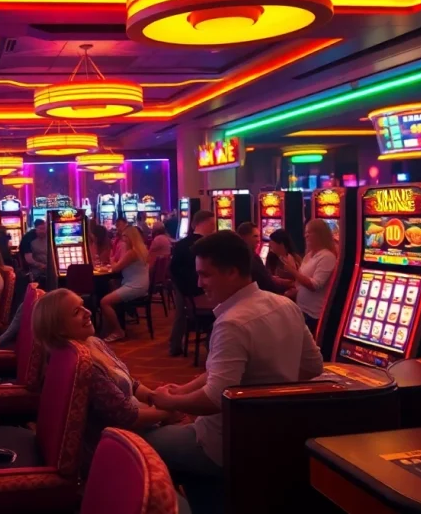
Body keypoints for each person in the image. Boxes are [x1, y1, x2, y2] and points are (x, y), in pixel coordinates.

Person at [145, 231, 324, 514]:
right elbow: (313, 366)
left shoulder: (232, 323)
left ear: (232, 272)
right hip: (273, 434)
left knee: (142, 444)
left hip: (223, 443)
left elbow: (215, 399)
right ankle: (212, 495)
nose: (199, 283)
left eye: (206, 275)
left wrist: (171, 402)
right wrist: (187, 388)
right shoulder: (284, 304)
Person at [32, 289, 179, 470]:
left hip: (134, 423)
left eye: (82, 306)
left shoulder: (93, 342)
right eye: (76, 312)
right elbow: (128, 418)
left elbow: (130, 383)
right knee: (199, 445)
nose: (88, 312)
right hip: (117, 442)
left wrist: (155, 397)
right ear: (59, 328)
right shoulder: (84, 365)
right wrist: (170, 409)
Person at [168, 210, 215, 356]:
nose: (214, 227)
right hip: (200, 295)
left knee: (180, 314)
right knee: (227, 306)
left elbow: (172, 268)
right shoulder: (207, 245)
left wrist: (182, 288)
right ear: (205, 223)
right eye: (212, 224)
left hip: (185, 291)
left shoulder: (181, 243)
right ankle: (215, 346)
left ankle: (175, 346)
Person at [279, 219, 337, 329]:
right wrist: (295, 290)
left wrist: (292, 271)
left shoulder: (327, 256)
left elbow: (314, 285)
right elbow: (302, 279)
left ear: (320, 234)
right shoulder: (310, 254)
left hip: (314, 314)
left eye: (309, 233)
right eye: (305, 232)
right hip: (302, 308)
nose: (306, 236)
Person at [101, 226, 150, 343]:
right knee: (112, 286)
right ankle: (113, 325)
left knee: (104, 302)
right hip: (141, 285)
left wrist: (111, 258)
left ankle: (118, 331)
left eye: (125, 237)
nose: (123, 240)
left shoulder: (133, 253)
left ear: (130, 238)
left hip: (135, 286)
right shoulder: (142, 249)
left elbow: (115, 269)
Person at [235, 222, 284, 295]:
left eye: (259, 236)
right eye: (255, 236)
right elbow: (264, 283)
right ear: (244, 237)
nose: (258, 239)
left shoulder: (253, 255)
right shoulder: (245, 259)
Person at [265, 228, 301, 293]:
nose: (270, 245)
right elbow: (268, 277)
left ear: (281, 244)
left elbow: (299, 280)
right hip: (276, 293)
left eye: (272, 242)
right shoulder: (271, 257)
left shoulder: (295, 258)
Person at [20, 218, 49, 284]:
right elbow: (29, 259)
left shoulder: (49, 236)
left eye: (44, 228)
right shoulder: (28, 238)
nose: (43, 231)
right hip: (36, 271)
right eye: (40, 229)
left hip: (50, 268)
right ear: (35, 228)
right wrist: (43, 266)